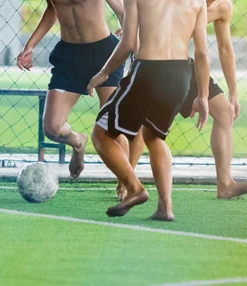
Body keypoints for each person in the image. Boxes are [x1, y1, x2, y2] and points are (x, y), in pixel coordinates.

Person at [87, 0, 210, 221]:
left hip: (149, 70)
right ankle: (165, 207)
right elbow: (201, 53)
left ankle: (134, 188)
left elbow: (127, 43)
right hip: (181, 76)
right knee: (153, 136)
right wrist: (202, 96)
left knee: (101, 133)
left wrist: (104, 73)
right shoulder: (197, 2)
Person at [118, 0, 247, 200]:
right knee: (141, 123)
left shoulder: (224, 6)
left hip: (185, 67)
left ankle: (225, 184)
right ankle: (126, 182)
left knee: (225, 112)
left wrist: (233, 92)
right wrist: (133, 24)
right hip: (152, 63)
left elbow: (224, 47)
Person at [16, 0, 126, 179]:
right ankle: (78, 143)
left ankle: (126, 183)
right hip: (69, 56)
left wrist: (127, 30)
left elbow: (122, 10)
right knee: (52, 128)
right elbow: (53, 9)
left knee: (112, 126)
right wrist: (30, 45)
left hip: (103, 54)